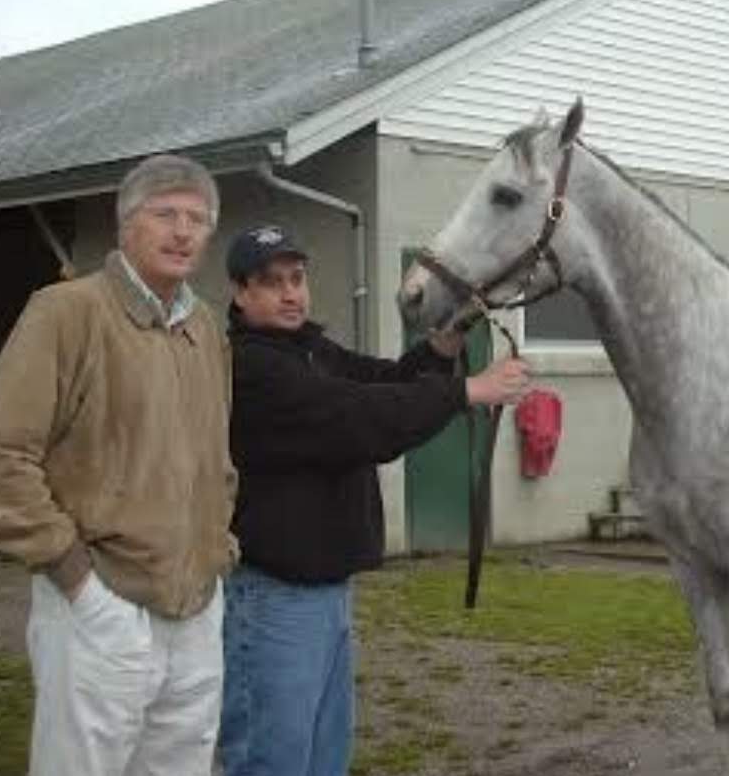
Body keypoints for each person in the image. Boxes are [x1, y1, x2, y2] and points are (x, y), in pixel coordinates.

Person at [217, 224, 530, 776]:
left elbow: (385, 382)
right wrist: (467, 390)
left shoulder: (308, 349)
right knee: (274, 761)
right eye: (272, 283)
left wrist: (443, 346)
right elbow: (359, 418)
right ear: (241, 293)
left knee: (324, 758)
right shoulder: (250, 367)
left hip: (325, 596)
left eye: (297, 278)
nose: (291, 293)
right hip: (272, 601)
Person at [0, 154, 236, 775]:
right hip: (99, 604)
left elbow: (217, 461)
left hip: (197, 608)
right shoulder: (66, 313)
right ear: (126, 226)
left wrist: (218, 554)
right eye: (164, 214)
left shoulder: (204, 328)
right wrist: (77, 581)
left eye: (197, 219)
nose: (182, 231)